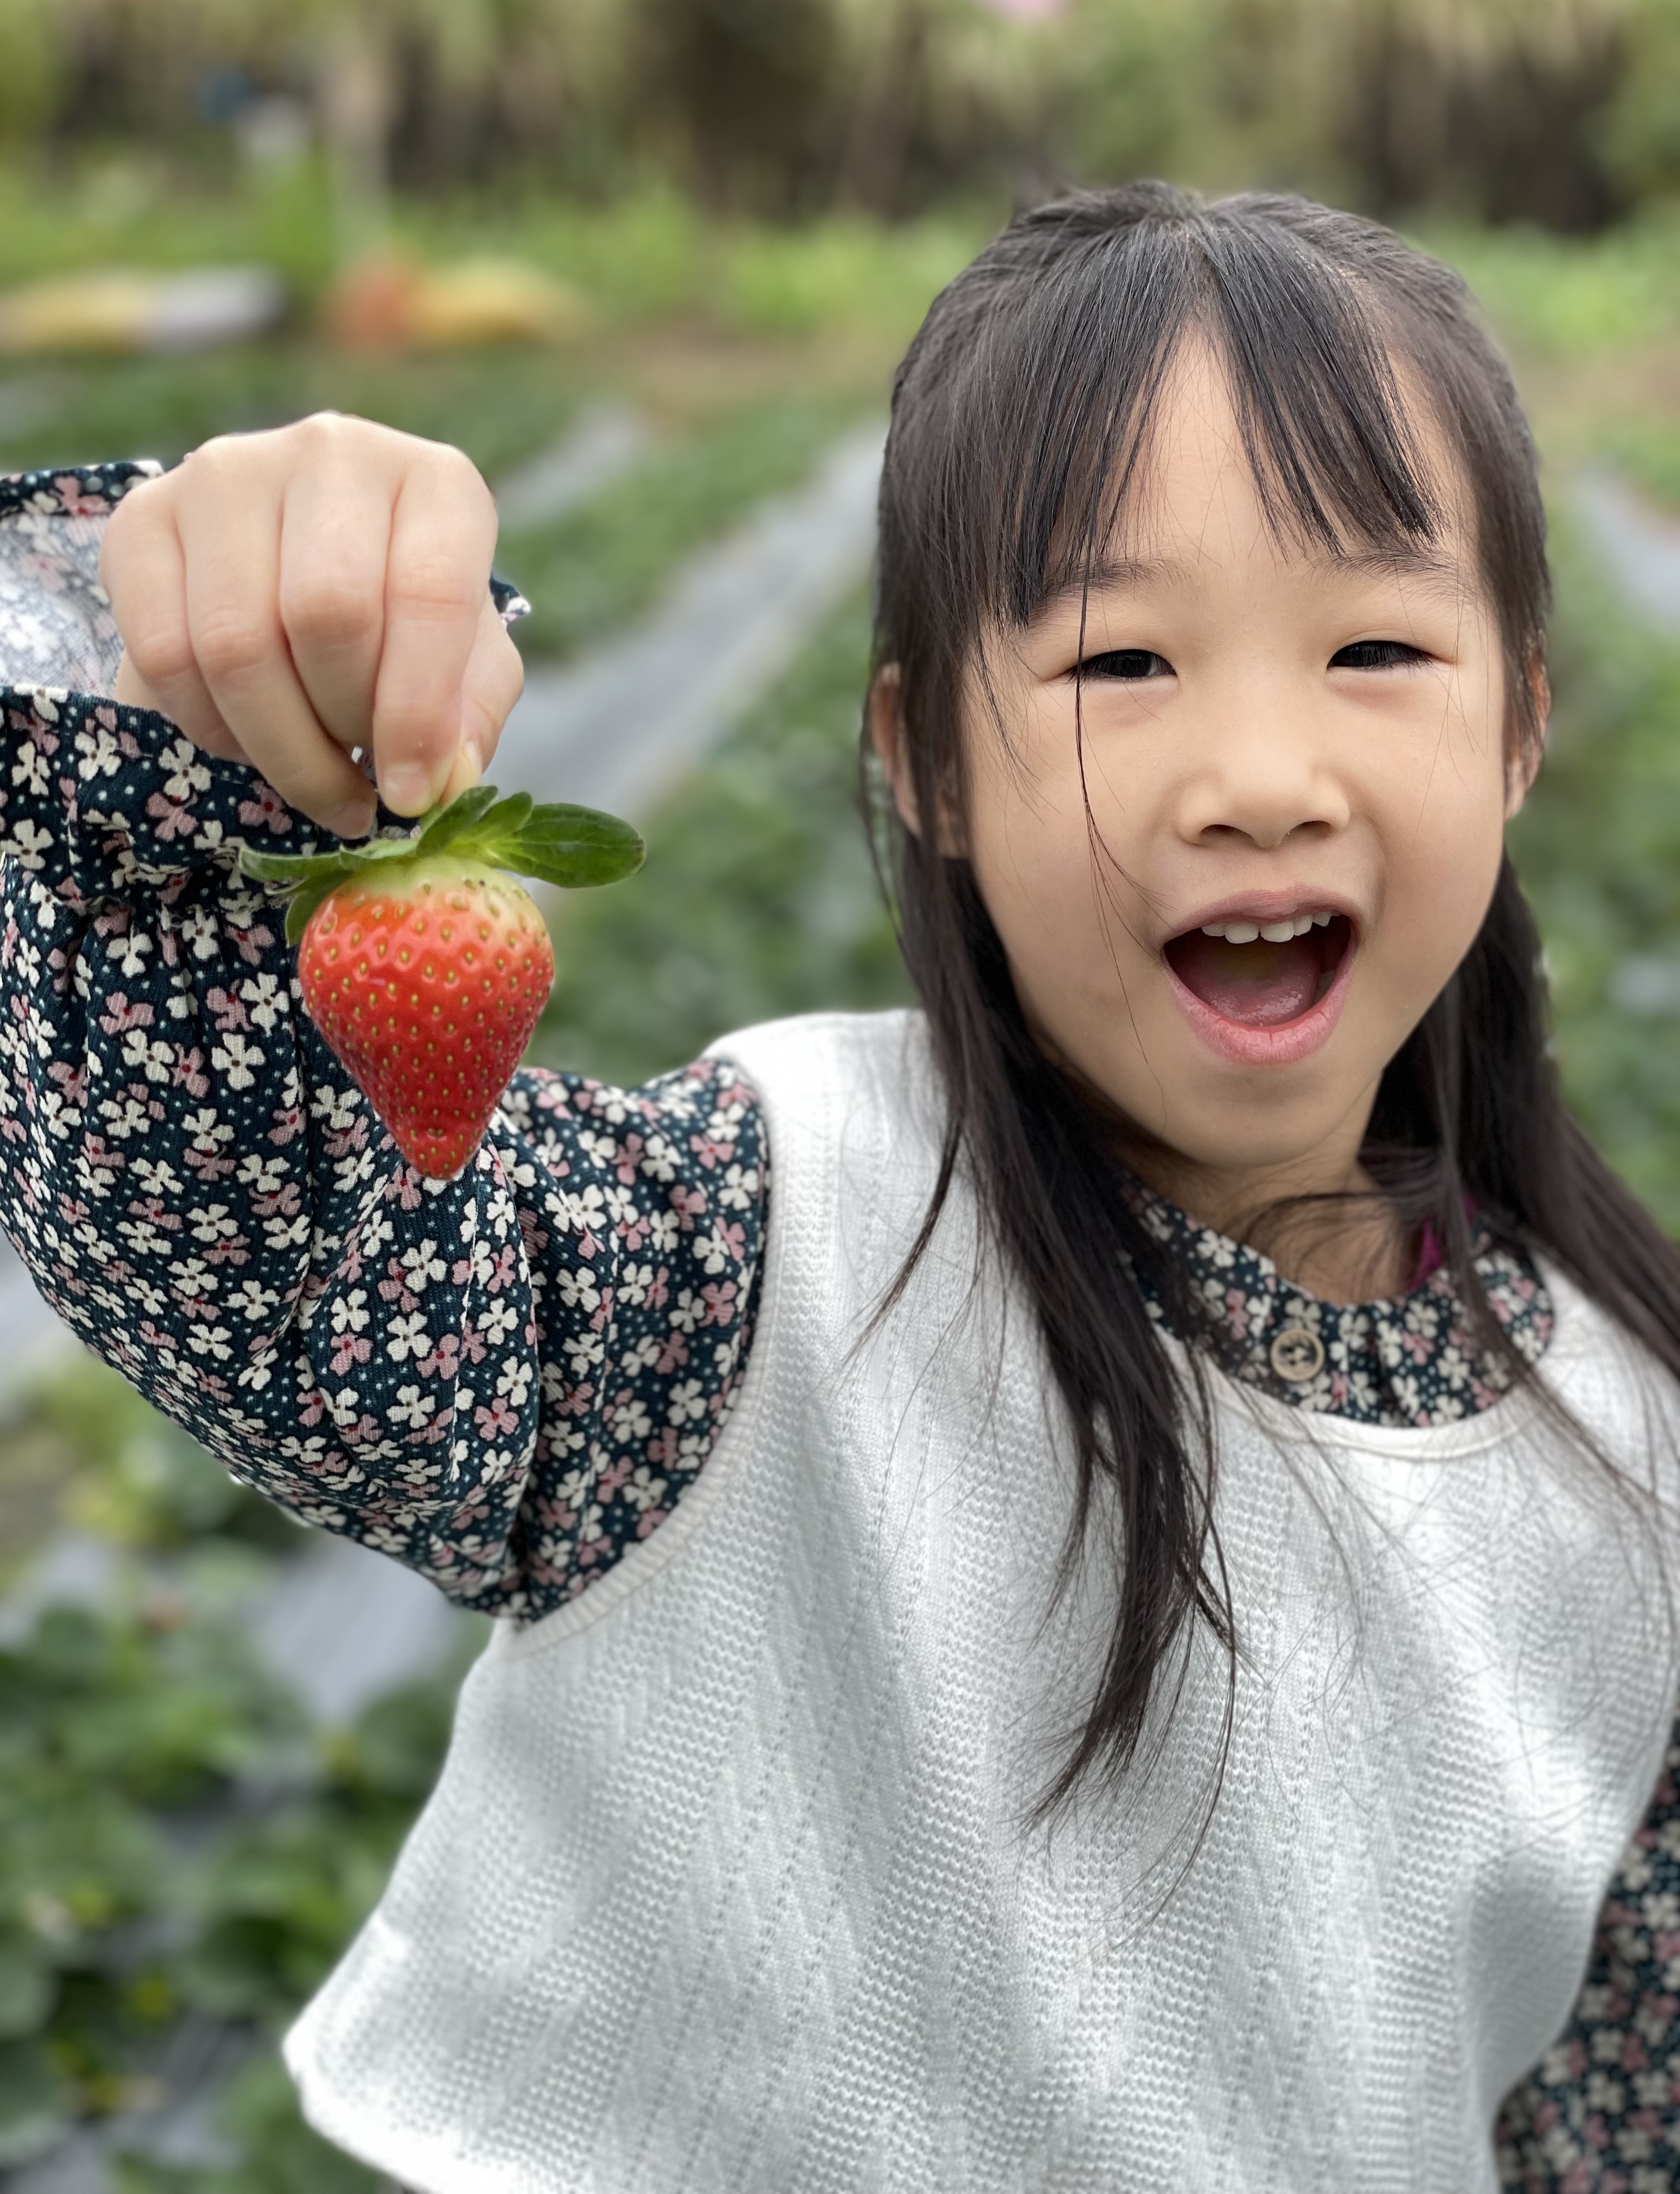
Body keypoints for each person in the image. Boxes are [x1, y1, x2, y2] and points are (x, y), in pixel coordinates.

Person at [1, 181, 1677, 2191]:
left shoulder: (1635, 1466)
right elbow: (272, 1273)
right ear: (923, 759)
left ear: (1519, 729)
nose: (1258, 775)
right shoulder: (756, 1251)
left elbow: (1603, 2115)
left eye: (1378, 645)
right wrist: (176, 708)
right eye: (1123, 658)